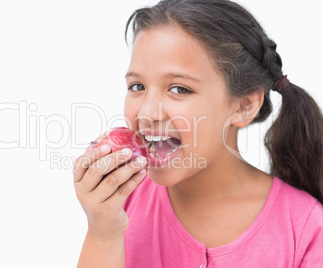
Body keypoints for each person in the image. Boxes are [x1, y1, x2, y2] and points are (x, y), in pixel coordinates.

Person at [73, 0, 323, 267]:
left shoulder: (307, 229)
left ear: (244, 106)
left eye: (179, 89)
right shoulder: (120, 200)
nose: (146, 113)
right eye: (137, 86)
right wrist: (102, 233)